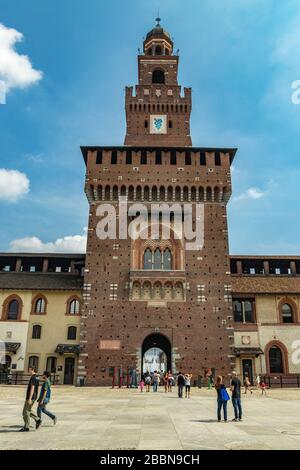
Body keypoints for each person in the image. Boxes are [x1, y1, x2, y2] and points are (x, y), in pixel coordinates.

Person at [20, 366, 39, 432]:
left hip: (31, 397)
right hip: (34, 396)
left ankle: (26, 427)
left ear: (33, 370)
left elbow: (32, 388)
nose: (29, 371)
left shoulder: (33, 377)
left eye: (29, 370)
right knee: (28, 410)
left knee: (25, 412)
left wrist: (30, 398)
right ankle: (38, 420)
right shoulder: (37, 377)